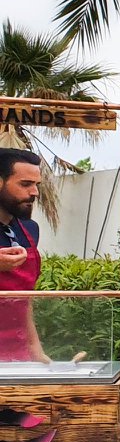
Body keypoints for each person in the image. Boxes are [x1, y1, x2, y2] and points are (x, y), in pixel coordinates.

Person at [0, 148, 46, 362]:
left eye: (36, 185)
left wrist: (38, 355)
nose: (35, 192)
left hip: (19, 360)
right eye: (25, 184)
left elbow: (24, 302)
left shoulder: (30, 230)